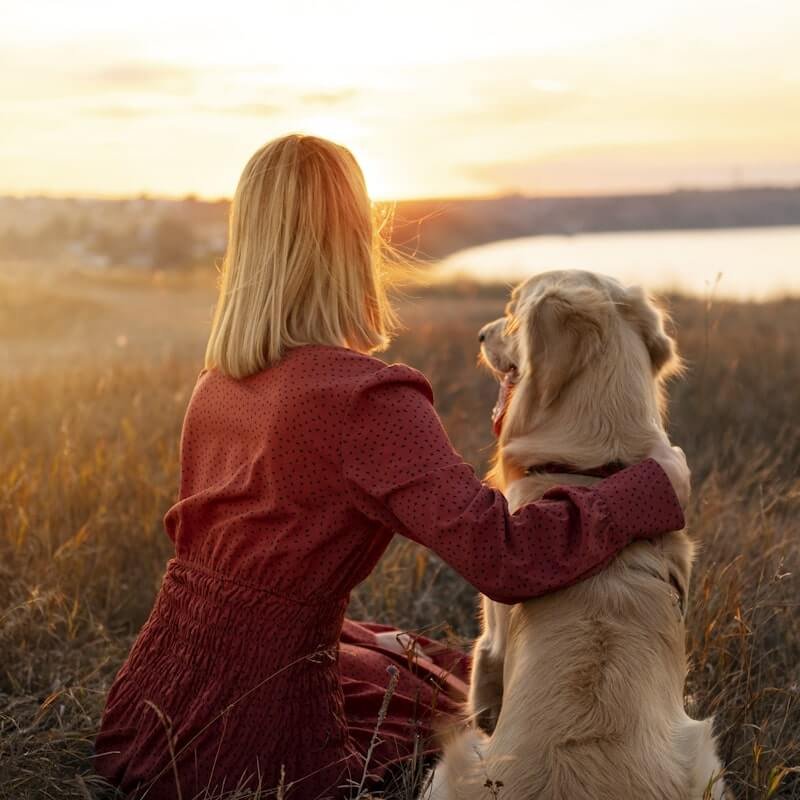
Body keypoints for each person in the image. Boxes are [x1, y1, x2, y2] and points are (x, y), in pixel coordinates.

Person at [94, 134, 690, 799]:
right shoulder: (365, 400)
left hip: (150, 705)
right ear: (355, 236)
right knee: (446, 691)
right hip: (257, 749)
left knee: (388, 652)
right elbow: (506, 558)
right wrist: (648, 489)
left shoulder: (219, 384)